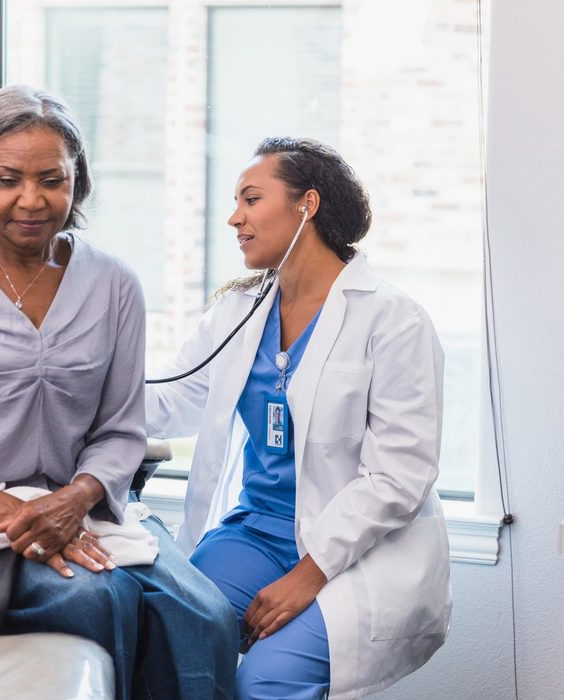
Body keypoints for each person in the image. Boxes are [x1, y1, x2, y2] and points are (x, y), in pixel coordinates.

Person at [0, 85, 238, 700]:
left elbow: (121, 430)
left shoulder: (115, 284)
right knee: (93, 599)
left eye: (52, 179)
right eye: (8, 178)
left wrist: (75, 500)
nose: (31, 199)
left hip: (87, 505)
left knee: (207, 617)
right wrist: (24, 515)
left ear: (78, 181)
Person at [146, 137, 452, 699]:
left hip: (361, 551)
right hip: (257, 533)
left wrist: (307, 576)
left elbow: (400, 475)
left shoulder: (392, 320)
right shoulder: (238, 311)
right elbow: (168, 401)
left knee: (265, 680)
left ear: (306, 204)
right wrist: (78, 378)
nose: (234, 218)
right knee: (170, 632)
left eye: (251, 199)